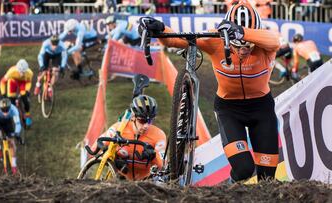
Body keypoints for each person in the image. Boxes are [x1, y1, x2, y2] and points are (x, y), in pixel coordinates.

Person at [139, 1, 280, 183]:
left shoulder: (266, 45)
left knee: (267, 179)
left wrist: (241, 33)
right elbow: (178, 40)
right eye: (237, 46)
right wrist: (159, 28)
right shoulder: (215, 41)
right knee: (244, 169)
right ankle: (228, 192)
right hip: (230, 110)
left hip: (262, 110)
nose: (243, 50)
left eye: (249, 46)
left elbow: (274, 39)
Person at [91, 95, 167, 180]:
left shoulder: (159, 135)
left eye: (150, 121)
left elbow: (163, 165)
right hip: (121, 179)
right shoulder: (119, 129)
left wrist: (153, 156)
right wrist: (114, 155)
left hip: (147, 181)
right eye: (142, 121)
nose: (146, 126)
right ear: (133, 117)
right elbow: (94, 149)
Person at [0, 98, 23, 175]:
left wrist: (17, 133)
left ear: (10, 107)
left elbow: (18, 123)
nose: (5, 112)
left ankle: (14, 165)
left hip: (8, 123)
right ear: (0, 108)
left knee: (12, 143)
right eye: (3, 110)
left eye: (7, 110)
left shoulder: (13, 109)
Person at [0, 59, 33, 127]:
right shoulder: (11, 71)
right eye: (20, 72)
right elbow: (2, 82)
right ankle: (14, 117)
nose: (21, 74)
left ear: (26, 70)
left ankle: (27, 115)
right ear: (17, 69)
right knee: (11, 101)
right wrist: (3, 94)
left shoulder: (30, 73)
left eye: (23, 72)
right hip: (13, 82)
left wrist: (27, 90)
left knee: (25, 100)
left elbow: (29, 82)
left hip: (22, 83)